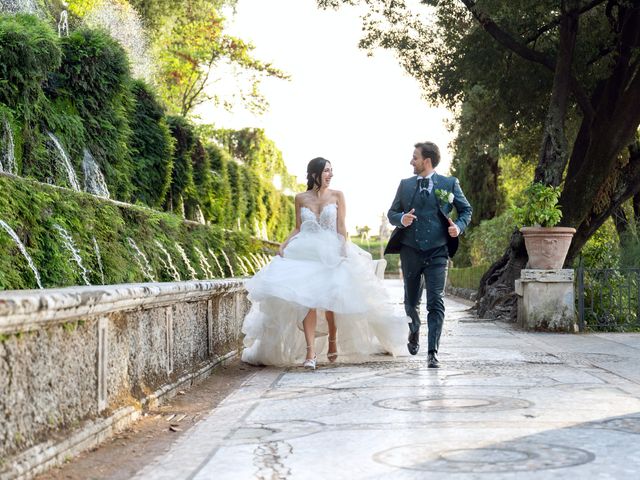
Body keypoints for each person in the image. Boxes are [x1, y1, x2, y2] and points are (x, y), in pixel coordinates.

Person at [241, 157, 406, 369]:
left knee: (332, 301)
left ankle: (332, 340)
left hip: (332, 252)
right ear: (314, 174)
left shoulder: (338, 196)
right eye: (326, 171)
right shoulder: (300, 198)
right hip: (305, 253)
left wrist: (342, 250)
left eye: (331, 170)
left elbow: (341, 227)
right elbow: (299, 228)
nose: (330, 174)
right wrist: (284, 244)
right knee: (307, 301)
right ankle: (310, 353)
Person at [385, 142, 472, 368]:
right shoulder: (405, 185)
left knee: (436, 301)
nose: (411, 162)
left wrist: (458, 227)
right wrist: (401, 218)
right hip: (410, 250)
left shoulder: (449, 184)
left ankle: (432, 352)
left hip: (438, 250)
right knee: (411, 301)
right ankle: (414, 329)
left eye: (414, 157)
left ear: (427, 161)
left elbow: (466, 210)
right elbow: (392, 212)